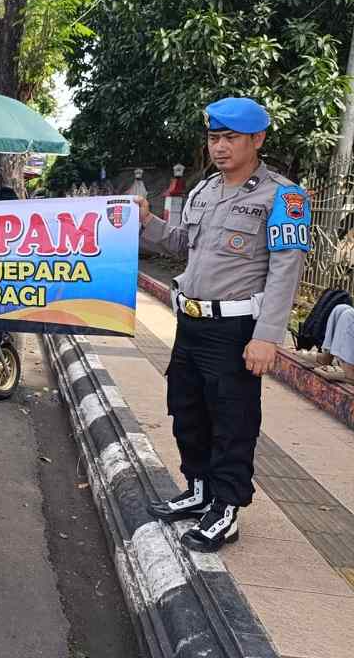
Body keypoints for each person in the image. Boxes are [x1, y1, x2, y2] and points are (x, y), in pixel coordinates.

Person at [134, 97, 309, 553]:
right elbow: (179, 244)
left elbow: (285, 271)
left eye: (231, 137)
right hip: (191, 324)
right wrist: (147, 220)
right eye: (214, 137)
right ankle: (198, 490)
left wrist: (266, 337)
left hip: (237, 331)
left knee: (232, 421)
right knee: (187, 410)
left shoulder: (282, 196)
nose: (220, 146)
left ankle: (226, 509)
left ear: (258, 139)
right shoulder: (205, 190)